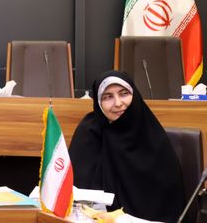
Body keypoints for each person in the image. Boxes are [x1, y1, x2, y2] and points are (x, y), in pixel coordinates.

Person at [69, 70, 184, 222]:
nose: (118, 103)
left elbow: (169, 201)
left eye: (124, 94)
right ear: (98, 103)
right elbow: (74, 190)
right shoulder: (88, 133)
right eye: (107, 97)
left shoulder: (152, 135)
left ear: (134, 95)